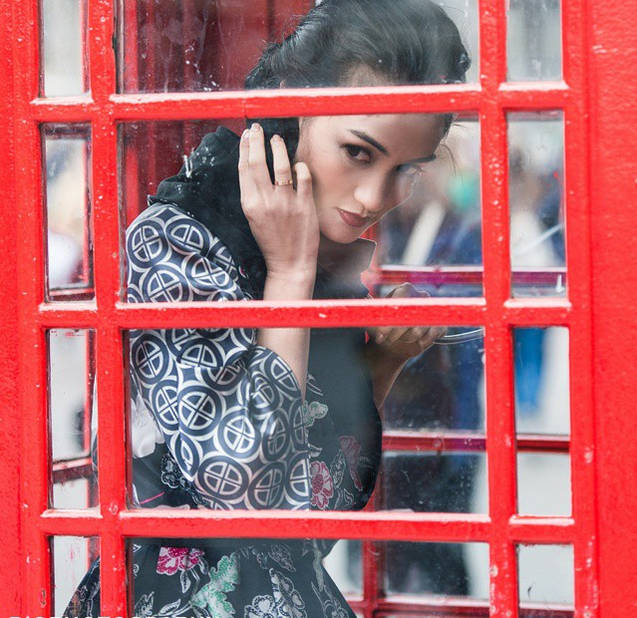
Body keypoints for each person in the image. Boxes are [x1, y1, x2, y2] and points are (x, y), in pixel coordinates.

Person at [64, 0, 470, 615]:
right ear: (291, 103)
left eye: (404, 169)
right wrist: (288, 275)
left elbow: (311, 525)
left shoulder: (325, 259)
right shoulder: (177, 240)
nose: (373, 197)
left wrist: (380, 366)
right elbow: (248, 501)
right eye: (359, 153)